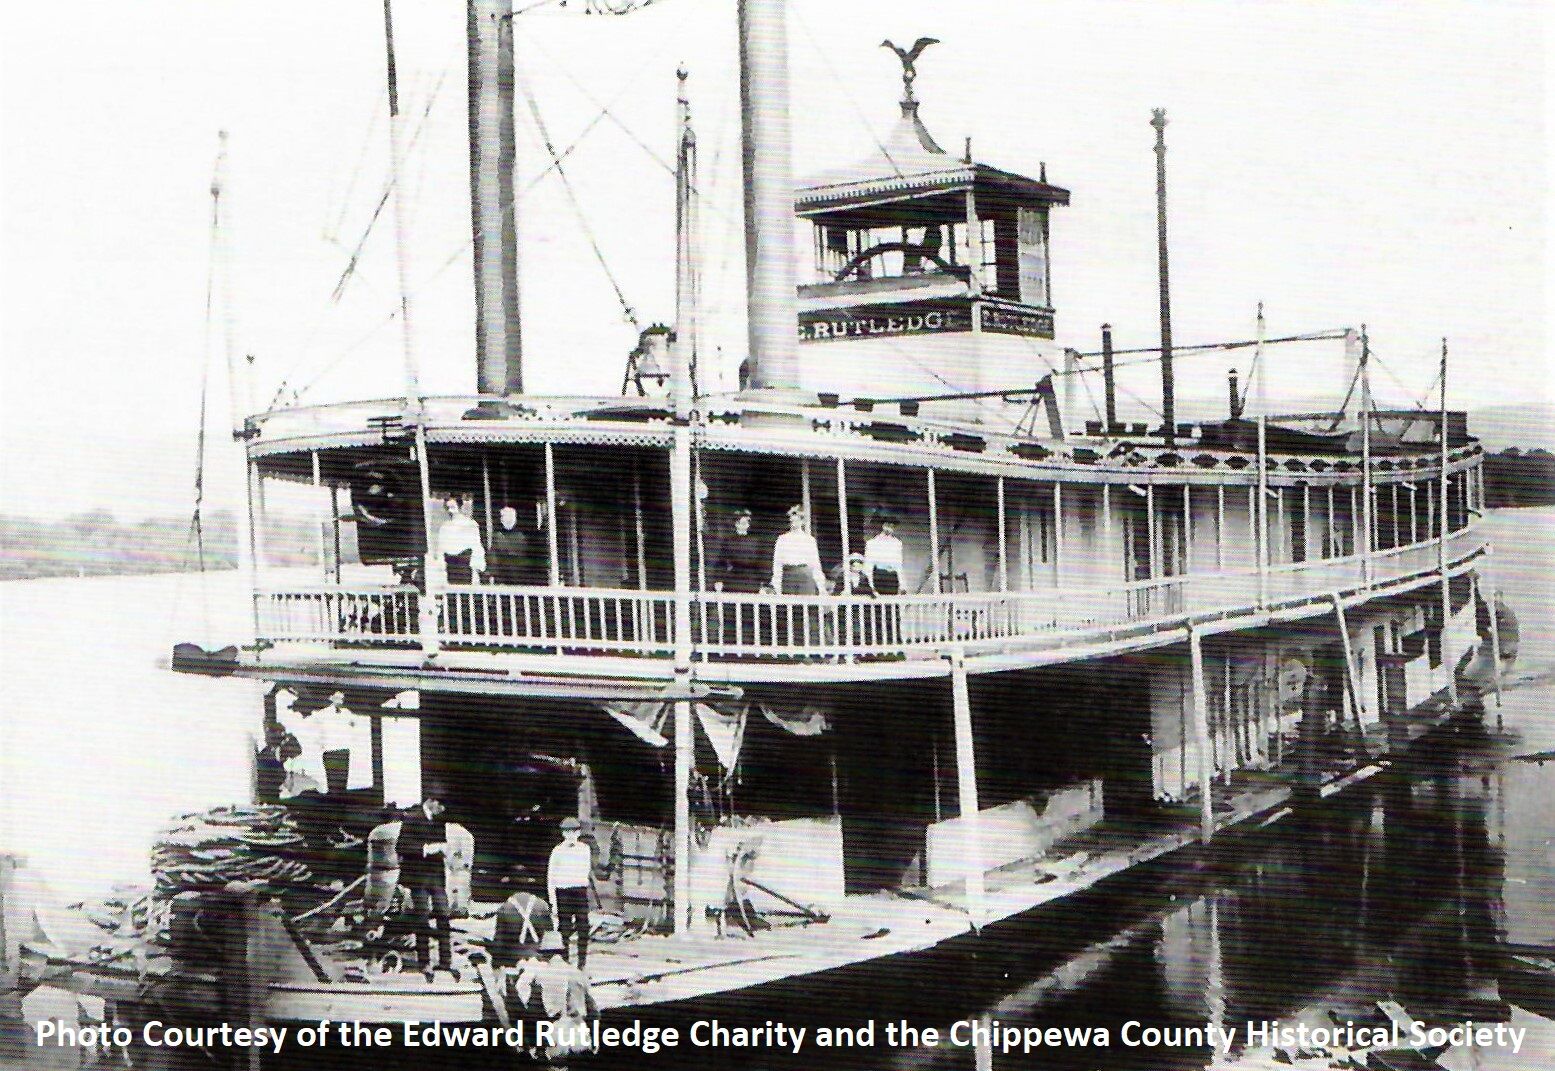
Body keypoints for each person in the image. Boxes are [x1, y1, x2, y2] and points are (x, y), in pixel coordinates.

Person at [398, 795, 457, 979]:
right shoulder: (412, 818)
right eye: (441, 806)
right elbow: (401, 846)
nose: (443, 810)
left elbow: (442, 846)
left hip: (436, 877)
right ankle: (424, 962)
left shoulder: (439, 821)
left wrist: (445, 851)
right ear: (432, 801)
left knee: (443, 915)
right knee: (422, 917)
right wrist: (426, 849)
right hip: (418, 877)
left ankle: (445, 962)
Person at [546, 817, 594, 969]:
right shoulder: (557, 851)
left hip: (579, 891)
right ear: (563, 833)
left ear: (579, 832)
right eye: (567, 832)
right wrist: (553, 900)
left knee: (583, 927)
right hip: (563, 892)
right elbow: (551, 876)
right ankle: (565, 959)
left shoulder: (584, 849)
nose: (571, 835)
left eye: (574, 831)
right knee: (564, 928)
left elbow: (584, 871)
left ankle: (582, 962)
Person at [313, 691, 370, 796]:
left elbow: (357, 722)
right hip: (330, 751)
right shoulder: (323, 713)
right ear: (331, 698)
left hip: (343, 751)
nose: (340, 701)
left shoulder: (346, 713)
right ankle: (333, 803)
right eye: (337, 698)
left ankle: (341, 802)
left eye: (341, 698)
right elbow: (315, 730)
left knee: (342, 780)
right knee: (332, 780)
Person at [771, 504, 828, 596]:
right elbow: (777, 564)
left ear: (803, 521)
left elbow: (815, 564)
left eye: (798, 520)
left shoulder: (809, 540)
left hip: (806, 575)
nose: (795, 523)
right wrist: (776, 585)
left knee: (807, 606)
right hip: (788, 576)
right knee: (789, 606)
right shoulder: (782, 539)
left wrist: (821, 587)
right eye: (793, 520)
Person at [491, 887, 553, 968]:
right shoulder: (542, 905)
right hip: (537, 954)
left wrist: (495, 963)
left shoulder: (505, 907)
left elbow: (499, 939)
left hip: (513, 957)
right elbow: (550, 930)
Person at [712, 508, 764, 594]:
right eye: (742, 523)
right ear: (736, 524)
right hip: (733, 581)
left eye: (747, 523)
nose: (745, 526)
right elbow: (721, 562)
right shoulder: (728, 541)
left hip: (751, 582)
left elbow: (760, 563)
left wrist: (763, 584)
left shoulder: (755, 541)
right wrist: (718, 580)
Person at [436, 496, 485, 585]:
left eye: (453, 507)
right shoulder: (444, 527)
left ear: (459, 507)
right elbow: (441, 548)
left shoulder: (470, 524)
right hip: (450, 568)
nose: (450, 511)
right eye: (448, 508)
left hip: (466, 567)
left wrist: (477, 570)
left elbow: (476, 547)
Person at [364, 807, 403, 919]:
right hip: (393, 869)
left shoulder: (375, 832)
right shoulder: (399, 829)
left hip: (376, 870)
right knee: (386, 902)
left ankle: (371, 923)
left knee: (374, 903)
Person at [485, 505, 531, 585]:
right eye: (502, 517)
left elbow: (522, 555)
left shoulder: (520, 535)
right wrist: (493, 573)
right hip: (503, 577)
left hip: (519, 576)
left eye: (506, 516)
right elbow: (493, 555)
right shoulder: (498, 536)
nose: (503, 519)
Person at [863, 513, 905, 595]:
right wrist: (870, 586)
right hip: (879, 576)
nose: (889, 528)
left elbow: (899, 564)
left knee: (892, 604)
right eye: (887, 525)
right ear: (882, 526)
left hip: (892, 577)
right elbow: (868, 565)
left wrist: (902, 585)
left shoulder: (897, 543)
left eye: (892, 526)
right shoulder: (872, 543)